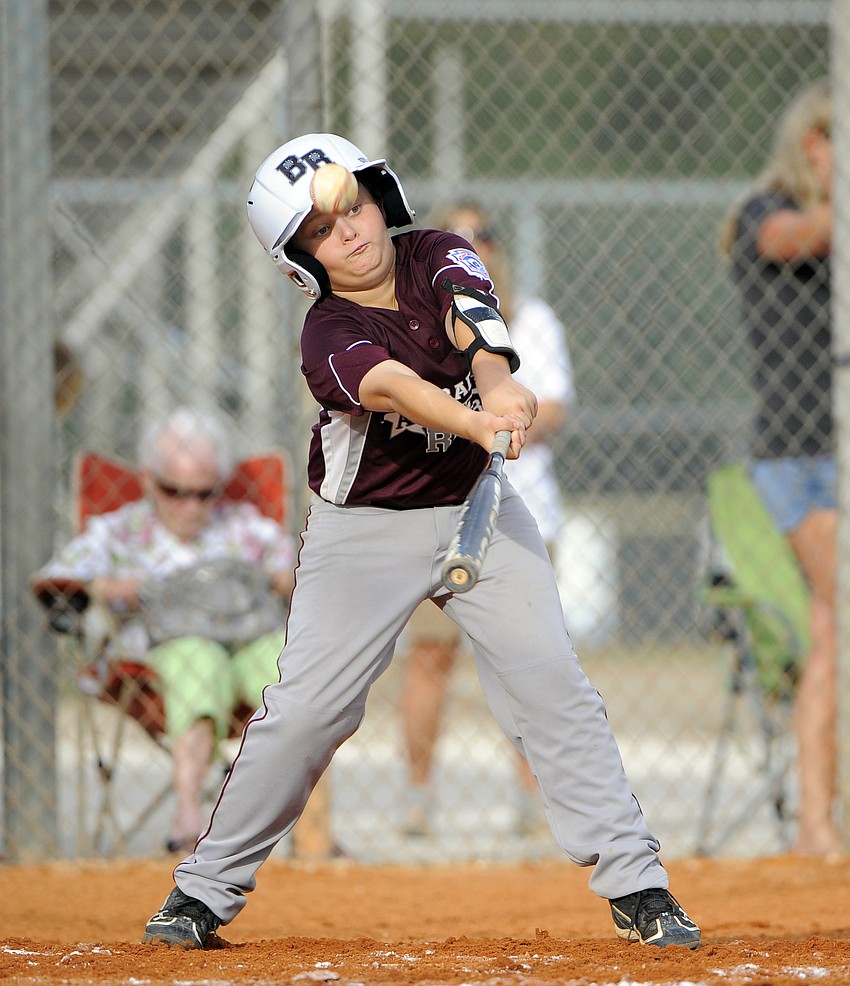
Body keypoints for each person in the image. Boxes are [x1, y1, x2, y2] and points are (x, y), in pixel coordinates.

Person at [142, 133, 701, 951]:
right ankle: (202, 892)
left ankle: (638, 884)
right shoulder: (326, 332)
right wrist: (478, 419)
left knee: (551, 680)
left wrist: (504, 389)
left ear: (382, 196)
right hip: (362, 528)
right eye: (326, 231)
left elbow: (472, 316)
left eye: (355, 206)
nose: (354, 231)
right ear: (303, 260)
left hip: (475, 505)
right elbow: (394, 386)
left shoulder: (438, 250)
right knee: (308, 712)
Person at [37, 406, 295, 854]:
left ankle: (301, 827)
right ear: (148, 479)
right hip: (159, 658)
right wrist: (130, 587)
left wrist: (274, 578)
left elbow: (297, 573)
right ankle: (191, 812)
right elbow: (61, 579)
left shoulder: (243, 525)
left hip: (249, 638)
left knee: (295, 676)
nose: (190, 506)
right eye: (175, 491)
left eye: (204, 493)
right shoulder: (120, 531)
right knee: (199, 660)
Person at [398, 201, 575, 839]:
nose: (474, 246)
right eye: (458, 237)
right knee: (428, 659)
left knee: (522, 660)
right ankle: (417, 795)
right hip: (437, 506)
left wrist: (501, 413)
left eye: (483, 237)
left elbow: (551, 407)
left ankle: (533, 800)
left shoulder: (530, 319)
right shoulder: (413, 324)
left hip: (517, 509)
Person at [719, 78, 836, 856]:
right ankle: (818, 824)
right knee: (838, 621)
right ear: (812, 148)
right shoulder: (766, 210)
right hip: (802, 455)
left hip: (840, 446)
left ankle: (821, 822)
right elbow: (794, 239)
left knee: (837, 625)